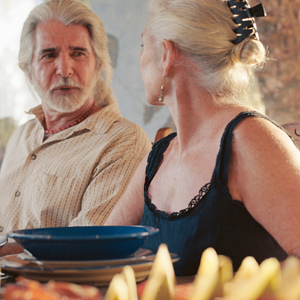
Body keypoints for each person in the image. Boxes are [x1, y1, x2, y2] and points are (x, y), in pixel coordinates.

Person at [105, 0, 300, 276]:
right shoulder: (159, 155)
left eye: (142, 46)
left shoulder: (251, 139)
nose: (139, 60)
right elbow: (102, 247)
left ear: (165, 54)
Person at [0, 0, 151, 245]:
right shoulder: (22, 135)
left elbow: (85, 243)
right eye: (49, 54)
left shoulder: (123, 141)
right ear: (28, 70)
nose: (65, 70)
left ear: (98, 64)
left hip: (40, 282)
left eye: (78, 53)